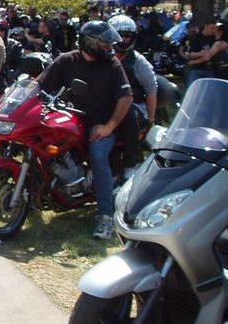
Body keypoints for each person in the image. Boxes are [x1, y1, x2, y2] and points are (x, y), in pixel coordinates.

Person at [37, 20, 133, 239]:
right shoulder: (66, 60)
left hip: (99, 126)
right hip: (69, 122)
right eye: (104, 44)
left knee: (98, 155)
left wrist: (109, 126)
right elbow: (40, 85)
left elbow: (126, 97)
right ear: (89, 43)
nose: (109, 48)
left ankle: (106, 218)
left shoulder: (112, 65)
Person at [108, 15, 157, 180]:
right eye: (121, 35)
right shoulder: (103, 57)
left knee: (127, 114)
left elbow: (151, 89)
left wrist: (151, 119)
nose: (124, 39)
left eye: (128, 36)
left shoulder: (138, 61)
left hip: (135, 105)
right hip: (106, 104)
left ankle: (131, 164)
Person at [186, 19, 228, 87]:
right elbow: (190, 54)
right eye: (211, 28)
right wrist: (199, 53)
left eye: (214, 28)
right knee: (192, 88)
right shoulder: (197, 37)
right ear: (205, 26)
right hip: (197, 69)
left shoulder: (215, 37)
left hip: (211, 69)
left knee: (211, 90)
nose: (213, 30)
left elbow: (223, 46)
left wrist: (218, 38)